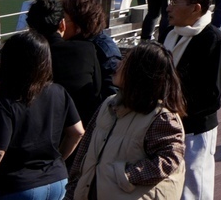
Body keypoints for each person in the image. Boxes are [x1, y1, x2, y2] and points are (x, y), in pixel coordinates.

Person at [72, 43, 186, 200]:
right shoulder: (108, 104)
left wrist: (126, 175)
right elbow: (84, 150)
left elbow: (169, 159)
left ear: (139, 72)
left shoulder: (160, 117)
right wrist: (73, 189)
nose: (117, 65)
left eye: (125, 62)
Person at [0, 30, 85, 200]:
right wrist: (57, 160)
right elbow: (77, 132)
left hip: (17, 186)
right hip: (57, 181)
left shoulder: (4, 100)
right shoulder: (58, 91)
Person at [163, 0, 221, 200]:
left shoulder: (214, 41)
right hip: (167, 124)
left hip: (195, 129)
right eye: (170, 1)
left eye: (175, 2)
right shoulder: (170, 34)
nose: (169, 7)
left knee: (193, 187)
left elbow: (212, 96)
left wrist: (175, 108)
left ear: (195, 8)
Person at [29, 0, 102, 135]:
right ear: (62, 24)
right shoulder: (86, 50)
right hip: (84, 127)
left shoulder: (26, 54)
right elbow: (97, 90)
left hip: (38, 129)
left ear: (31, 29)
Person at [60, 0, 120, 101]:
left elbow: (113, 91)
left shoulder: (105, 51)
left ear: (78, 26)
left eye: (64, 19)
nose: (60, 24)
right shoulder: (72, 42)